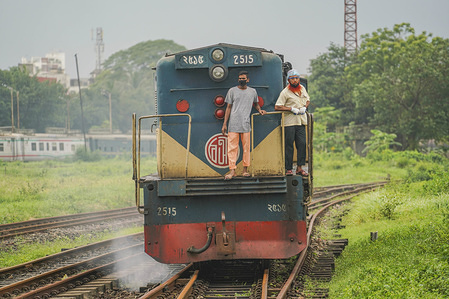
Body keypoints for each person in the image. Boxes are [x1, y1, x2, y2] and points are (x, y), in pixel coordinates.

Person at [222, 71, 266, 180]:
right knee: (232, 148)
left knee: (246, 148)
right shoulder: (232, 91)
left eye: (243, 78)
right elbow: (228, 107)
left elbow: (255, 103)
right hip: (233, 124)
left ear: (248, 80)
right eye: (240, 78)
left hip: (245, 124)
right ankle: (232, 171)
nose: (241, 80)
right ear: (238, 79)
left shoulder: (252, 91)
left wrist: (260, 110)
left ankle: (245, 170)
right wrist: (224, 124)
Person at [274, 69, 310, 176]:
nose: (295, 80)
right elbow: (277, 106)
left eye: (296, 78)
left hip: (301, 121)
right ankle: (288, 169)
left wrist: (304, 107)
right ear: (289, 80)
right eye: (292, 78)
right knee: (289, 146)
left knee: (302, 144)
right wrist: (290, 109)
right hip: (289, 123)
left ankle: (300, 167)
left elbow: (307, 99)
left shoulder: (302, 89)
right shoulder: (285, 92)